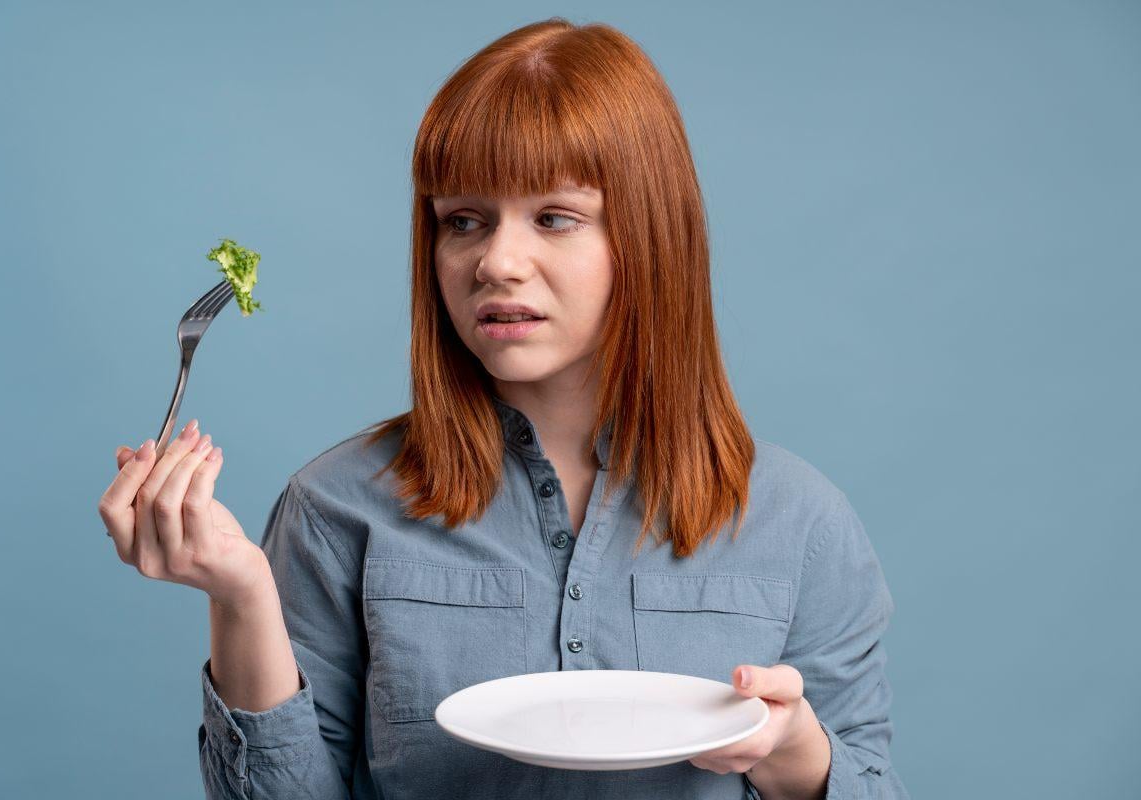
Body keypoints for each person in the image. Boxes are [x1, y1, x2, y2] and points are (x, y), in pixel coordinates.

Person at [99, 17, 908, 800]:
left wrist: (797, 751)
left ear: (651, 237)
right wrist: (241, 595)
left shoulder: (801, 523)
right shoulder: (334, 510)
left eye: (554, 217)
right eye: (464, 221)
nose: (496, 260)